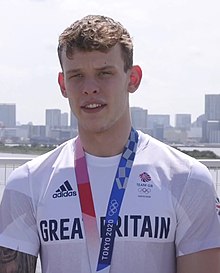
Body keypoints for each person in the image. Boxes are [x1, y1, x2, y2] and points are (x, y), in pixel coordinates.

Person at [0, 15, 220, 273]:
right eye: (77, 76)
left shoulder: (187, 179)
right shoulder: (27, 182)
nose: (90, 88)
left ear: (133, 78)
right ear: (63, 85)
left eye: (105, 73)